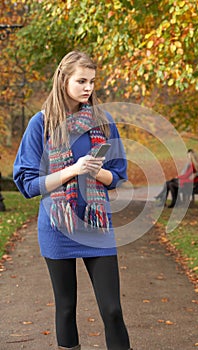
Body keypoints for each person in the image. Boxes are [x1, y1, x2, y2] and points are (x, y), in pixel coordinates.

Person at [13, 51, 132, 350]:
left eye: (92, 81)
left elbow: (118, 175)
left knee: (113, 311)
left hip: (97, 225)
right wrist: (72, 171)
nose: (88, 87)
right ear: (63, 80)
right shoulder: (40, 125)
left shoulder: (103, 122)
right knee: (66, 309)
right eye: (81, 81)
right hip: (57, 227)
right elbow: (28, 184)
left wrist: (97, 171)